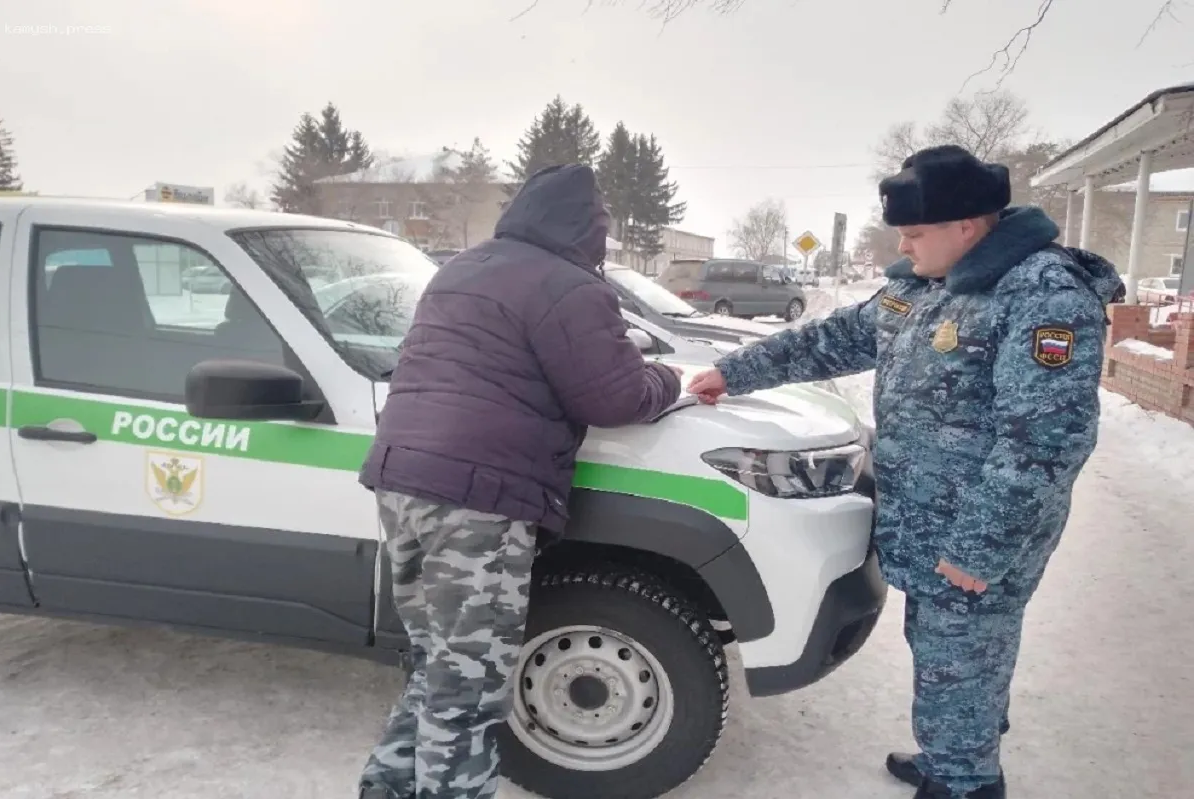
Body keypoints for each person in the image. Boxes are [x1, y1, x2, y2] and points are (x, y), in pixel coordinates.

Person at [687, 144, 1125, 799]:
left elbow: (1046, 438)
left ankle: (966, 781)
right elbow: (829, 340)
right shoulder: (921, 284)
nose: (903, 242)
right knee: (945, 645)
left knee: (965, 649)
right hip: (929, 520)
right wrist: (736, 372)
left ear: (969, 227)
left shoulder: (1040, 292)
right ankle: (953, 750)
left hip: (980, 527)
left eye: (914, 232)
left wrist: (982, 543)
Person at [355, 163, 683, 799]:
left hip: (401, 481)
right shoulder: (569, 287)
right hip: (477, 501)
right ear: (588, 227)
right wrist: (669, 383)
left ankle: (386, 788)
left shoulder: (462, 269)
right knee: (470, 688)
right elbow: (614, 396)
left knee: (437, 665)